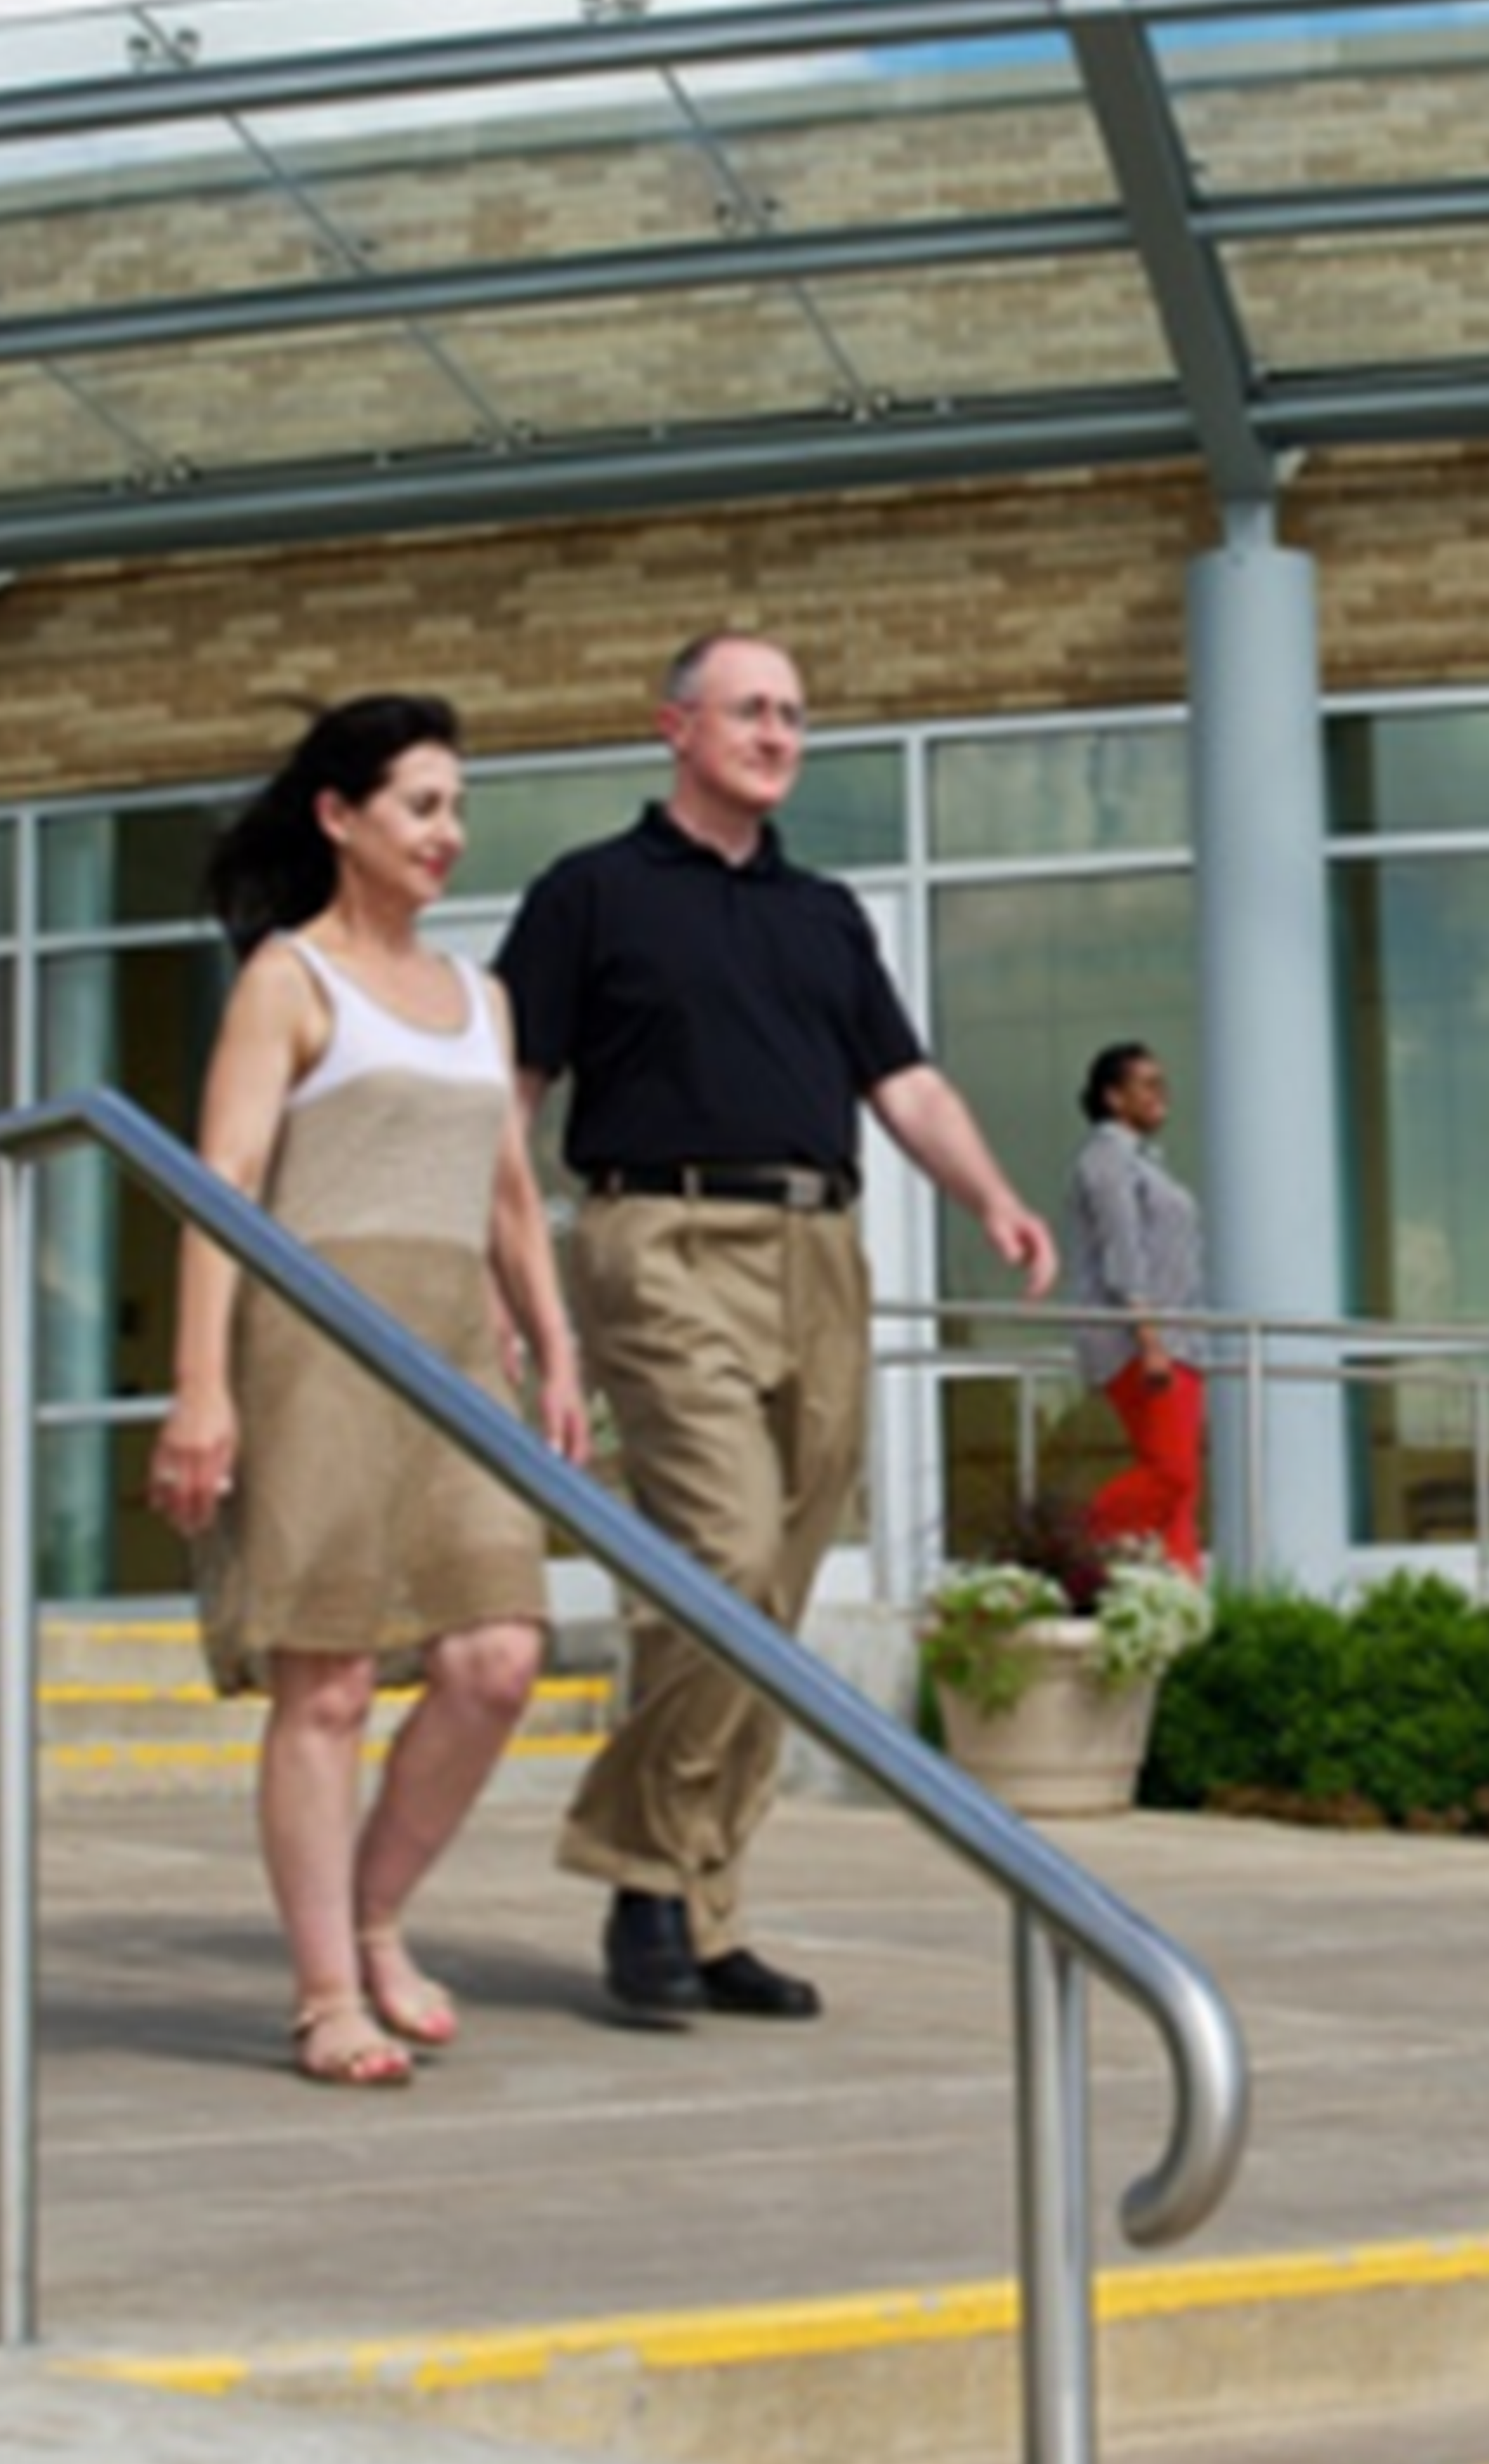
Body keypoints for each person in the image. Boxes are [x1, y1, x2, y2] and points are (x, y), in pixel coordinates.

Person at [501, 630, 1057, 2025]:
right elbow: (507, 1098)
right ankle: (642, 1875)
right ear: (674, 728)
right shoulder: (591, 894)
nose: (777, 733)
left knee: (776, 1600)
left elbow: (907, 1081)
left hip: (821, 1248)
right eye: (750, 709)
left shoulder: (827, 915)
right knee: (725, 1560)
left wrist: (991, 1196)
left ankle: (703, 1904)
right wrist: (503, 1284)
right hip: (659, 1237)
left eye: (795, 715)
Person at [151, 694, 589, 2089]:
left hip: (459, 1351)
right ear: (341, 818)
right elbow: (220, 1189)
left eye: (457, 808)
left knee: (497, 1657)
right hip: (316, 1341)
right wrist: (199, 1389)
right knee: (330, 1679)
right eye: (420, 806)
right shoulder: (289, 979)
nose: (447, 835)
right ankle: (327, 1989)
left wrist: (558, 1349)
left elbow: (515, 1198)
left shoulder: (485, 997)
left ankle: (382, 1910)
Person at [1064, 1040, 1207, 1579]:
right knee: (1170, 1474)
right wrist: (1150, 1339)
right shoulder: (1106, 1160)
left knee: (1181, 1489)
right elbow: (1122, 1251)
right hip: (1140, 1341)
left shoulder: (1145, 1163)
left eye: (1161, 1083)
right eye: (1146, 1084)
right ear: (1113, 1097)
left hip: (1180, 1339)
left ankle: (1183, 1599)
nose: (1160, 1094)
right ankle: (1075, 1543)